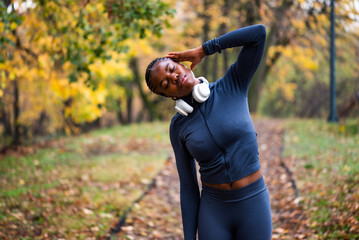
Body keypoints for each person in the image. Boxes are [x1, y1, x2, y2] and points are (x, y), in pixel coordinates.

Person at [145, 24, 272, 240]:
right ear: (168, 96)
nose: (172, 78)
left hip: (253, 203)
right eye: (165, 84)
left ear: (181, 64)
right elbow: (188, 188)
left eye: (171, 69)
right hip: (214, 213)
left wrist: (204, 49)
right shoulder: (178, 127)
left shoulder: (232, 84)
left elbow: (258, 34)